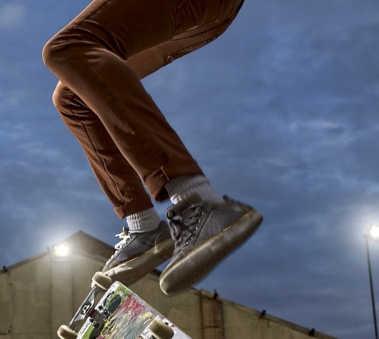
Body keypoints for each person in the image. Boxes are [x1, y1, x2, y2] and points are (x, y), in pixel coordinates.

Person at [42, 0, 262, 295]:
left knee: (68, 48)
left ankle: (197, 199)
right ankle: (144, 227)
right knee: (72, 97)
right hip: (206, 18)